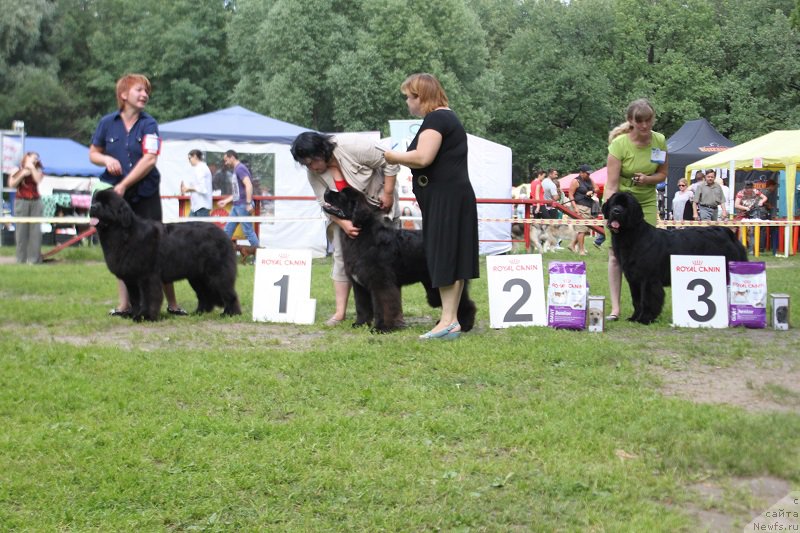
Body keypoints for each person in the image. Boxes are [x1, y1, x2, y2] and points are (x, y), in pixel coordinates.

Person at [383, 72, 479, 340]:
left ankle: (448, 321)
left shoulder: (437, 119)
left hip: (446, 199)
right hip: (451, 197)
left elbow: (423, 157)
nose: (407, 102)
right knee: (452, 257)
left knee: (445, 256)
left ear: (420, 97)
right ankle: (450, 320)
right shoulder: (446, 118)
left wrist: (392, 156)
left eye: (408, 97)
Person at [89, 73, 187, 317]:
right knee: (119, 247)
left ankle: (172, 304)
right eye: (139, 90)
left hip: (144, 193)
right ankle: (125, 305)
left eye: (146, 91)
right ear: (123, 94)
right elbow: (93, 153)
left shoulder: (149, 124)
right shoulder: (107, 123)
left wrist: (124, 184)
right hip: (117, 195)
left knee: (158, 245)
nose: (145, 95)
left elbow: (150, 159)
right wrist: (106, 159)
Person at [290, 131, 400, 326]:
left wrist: (389, 192)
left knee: (385, 264)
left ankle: (392, 316)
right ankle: (341, 313)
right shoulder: (313, 172)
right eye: (306, 164)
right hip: (345, 217)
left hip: (380, 206)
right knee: (342, 257)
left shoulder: (353, 145)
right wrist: (343, 224)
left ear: (321, 151)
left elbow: (390, 159)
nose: (311, 168)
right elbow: (324, 203)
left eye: (312, 162)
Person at [602, 98, 668, 322]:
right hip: (621, 202)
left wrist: (648, 179)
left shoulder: (659, 141)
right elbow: (611, 185)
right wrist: (610, 213)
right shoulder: (619, 145)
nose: (645, 125)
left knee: (647, 255)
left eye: (648, 120)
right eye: (639, 121)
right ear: (630, 120)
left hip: (646, 202)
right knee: (616, 255)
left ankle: (646, 306)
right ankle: (615, 308)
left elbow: (662, 174)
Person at [217, 150, 260, 248]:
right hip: (237, 205)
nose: (225, 163)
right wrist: (226, 201)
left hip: (243, 205)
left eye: (226, 160)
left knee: (248, 232)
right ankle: (222, 254)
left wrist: (248, 203)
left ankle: (260, 253)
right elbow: (238, 192)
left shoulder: (240, 168)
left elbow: (248, 185)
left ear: (232, 157)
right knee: (227, 231)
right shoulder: (237, 169)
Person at [8, 151, 44, 264]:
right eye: (33, 157)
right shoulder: (17, 169)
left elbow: (38, 180)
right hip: (21, 201)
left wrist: (32, 168)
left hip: (35, 201)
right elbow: (11, 184)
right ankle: (21, 259)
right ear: (27, 157)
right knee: (21, 232)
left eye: (37, 158)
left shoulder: (38, 169)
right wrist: (22, 174)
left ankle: (34, 259)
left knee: (35, 232)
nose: (35, 160)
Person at [568, 164, 597, 255]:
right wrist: (575, 207)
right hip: (579, 206)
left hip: (588, 207)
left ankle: (572, 244)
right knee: (582, 230)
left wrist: (592, 191)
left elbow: (597, 188)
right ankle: (581, 251)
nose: (589, 175)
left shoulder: (590, 180)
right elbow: (570, 195)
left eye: (589, 173)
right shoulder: (575, 181)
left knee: (586, 230)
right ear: (581, 173)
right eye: (587, 173)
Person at [734, 180, 767, 253]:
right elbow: (736, 205)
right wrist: (745, 208)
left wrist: (761, 201)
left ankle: (751, 250)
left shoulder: (755, 191)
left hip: (752, 214)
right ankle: (741, 249)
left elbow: (765, 197)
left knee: (751, 232)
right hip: (742, 214)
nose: (749, 192)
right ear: (745, 189)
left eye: (750, 191)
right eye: (747, 191)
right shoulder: (740, 193)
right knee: (743, 232)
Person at [181, 149, 213, 217]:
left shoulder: (201, 168)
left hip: (202, 206)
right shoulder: (199, 168)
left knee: (200, 224)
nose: (189, 161)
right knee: (190, 223)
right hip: (197, 206)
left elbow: (202, 188)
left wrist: (188, 189)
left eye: (189, 158)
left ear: (195, 156)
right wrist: (187, 189)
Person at [761, 179, 779, 255]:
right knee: (763, 230)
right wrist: (768, 205)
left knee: (761, 230)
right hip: (763, 213)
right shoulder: (767, 192)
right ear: (771, 186)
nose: (774, 188)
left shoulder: (763, 191)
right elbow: (762, 201)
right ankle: (762, 248)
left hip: (763, 213)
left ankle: (761, 247)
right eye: (774, 187)